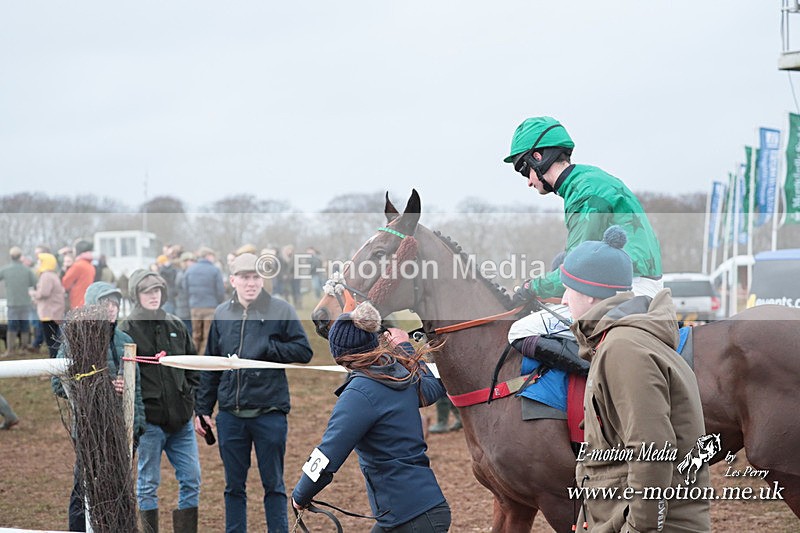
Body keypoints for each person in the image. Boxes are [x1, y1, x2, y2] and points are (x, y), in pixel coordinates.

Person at [561, 226, 710, 532]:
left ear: (589, 294)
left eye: (569, 289)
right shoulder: (620, 341)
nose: (563, 300)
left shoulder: (623, 348)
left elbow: (652, 449)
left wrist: (640, 528)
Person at [504, 117, 663, 380]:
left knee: (520, 331)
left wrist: (531, 287)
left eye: (524, 170)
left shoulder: (585, 193)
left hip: (628, 290)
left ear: (538, 157)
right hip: (633, 284)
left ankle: (603, 379)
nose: (529, 181)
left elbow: (577, 271)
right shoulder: (587, 179)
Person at [292, 302, 450, 533]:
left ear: (339, 354)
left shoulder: (359, 394)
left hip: (411, 518)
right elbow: (432, 386)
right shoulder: (397, 374)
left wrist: (300, 495)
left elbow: (327, 454)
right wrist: (404, 347)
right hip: (415, 511)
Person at [194, 253, 313, 533]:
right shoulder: (222, 313)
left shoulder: (280, 310)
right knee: (233, 487)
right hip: (230, 416)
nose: (251, 283)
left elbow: (304, 351)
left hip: (269, 413)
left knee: (274, 485)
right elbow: (212, 363)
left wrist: (269, 347)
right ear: (232, 280)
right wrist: (202, 409)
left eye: (256, 277)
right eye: (245, 277)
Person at [52, 281, 147, 532]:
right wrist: (103, 386)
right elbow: (59, 384)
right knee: (84, 488)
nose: (112, 308)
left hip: (123, 429)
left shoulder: (125, 340)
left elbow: (136, 388)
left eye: (115, 303)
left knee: (120, 489)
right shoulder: (76, 340)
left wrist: (137, 427)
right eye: (106, 302)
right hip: (91, 430)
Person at [118, 270, 201, 533]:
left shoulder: (176, 325)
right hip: (150, 424)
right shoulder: (126, 330)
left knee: (192, 479)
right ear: (136, 295)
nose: (153, 296)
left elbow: (193, 365)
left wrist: (188, 397)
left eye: (156, 290)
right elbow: (120, 373)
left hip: (181, 422)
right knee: (147, 485)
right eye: (146, 291)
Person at [184, 246, 225, 355]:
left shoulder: (190, 270)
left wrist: (191, 300)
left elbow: (185, 288)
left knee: (196, 334)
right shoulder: (215, 270)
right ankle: (203, 357)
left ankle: (193, 355)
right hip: (210, 306)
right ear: (208, 256)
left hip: (195, 306)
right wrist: (219, 302)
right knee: (207, 335)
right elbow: (220, 290)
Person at [0, 246, 37, 355]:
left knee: (12, 326)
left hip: (12, 303)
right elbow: (34, 283)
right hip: (25, 303)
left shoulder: (5, 270)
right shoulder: (27, 270)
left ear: (11, 256)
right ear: (20, 256)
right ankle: (24, 349)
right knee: (25, 325)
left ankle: (10, 350)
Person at [30, 252, 66, 357]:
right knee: (54, 340)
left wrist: (33, 293)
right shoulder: (52, 275)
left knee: (51, 342)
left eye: (39, 261)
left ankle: (54, 362)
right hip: (54, 311)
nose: (38, 263)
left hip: (49, 313)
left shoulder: (46, 276)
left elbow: (44, 293)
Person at [62, 239, 96, 310]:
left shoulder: (78, 266)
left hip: (77, 301)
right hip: (86, 300)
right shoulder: (90, 265)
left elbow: (65, 282)